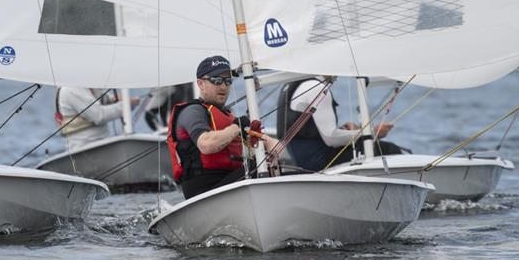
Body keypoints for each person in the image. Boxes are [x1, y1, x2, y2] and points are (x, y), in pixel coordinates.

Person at [167, 55, 277, 199]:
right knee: (256, 168)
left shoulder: (228, 117)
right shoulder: (192, 111)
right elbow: (206, 145)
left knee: (265, 165)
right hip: (203, 191)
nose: (224, 86)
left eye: (228, 81)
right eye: (217, 80)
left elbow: (276, 146)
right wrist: (235, 128)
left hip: (229, 182)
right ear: (201, 84)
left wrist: (267, 144)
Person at [276, 77, 405, 172]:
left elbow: (312, 132)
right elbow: (331, 138)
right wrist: (371, 133)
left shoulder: (294, 84)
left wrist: (344, 130)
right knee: (389, 149)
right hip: (320, 162)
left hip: (303, 160)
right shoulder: (316, 87)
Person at [55, 87, 140, 152]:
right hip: (82, 149)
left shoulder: (88, 86)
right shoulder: (70, 89)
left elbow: (104, 98)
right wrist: (125, 105)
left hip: (104, 145)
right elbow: (99, 116)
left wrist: (119, 98)